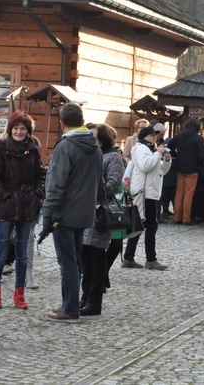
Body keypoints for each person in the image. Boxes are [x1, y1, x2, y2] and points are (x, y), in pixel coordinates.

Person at [41, 102, 103, 323]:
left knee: (67, 261)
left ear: (62, 123)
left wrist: (47, 215)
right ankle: (70, 303)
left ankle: (70, 309)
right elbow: (100, 181)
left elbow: (55, 185)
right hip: (85, 212)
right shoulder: (94, 146)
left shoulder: (65, 147)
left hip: (64, 214)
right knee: (75, 260)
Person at [0, 111, 45, 310]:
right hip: (7, 206)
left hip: (27, 206)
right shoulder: (2, 150)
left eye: (23, 128)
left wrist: (37, 196)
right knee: (2, 250)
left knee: (22, 252)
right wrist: (5, 196)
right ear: (10, 130)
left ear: (28, 131)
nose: (19, 132)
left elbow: (40, 175)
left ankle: (19, 292)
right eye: (16, 128)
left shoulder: (33, 150)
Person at [81, 123, 123, 316]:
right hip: (85, 210)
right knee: (85, 258)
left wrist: (92, 186)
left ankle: (94, 302)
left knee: (97, 258)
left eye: (95, 136)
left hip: (100, 212)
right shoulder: (90, 155)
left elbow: (113, 185)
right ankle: (84, 297)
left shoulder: (113, 157)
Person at [122, 125, 172, 270]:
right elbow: (145, 166)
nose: (155, 137)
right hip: (144, 193)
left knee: (141, 225)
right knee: (148, 225)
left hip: (151, 192)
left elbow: (161, 170)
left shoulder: (150, 150)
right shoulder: (140, 149)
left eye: (156, 135)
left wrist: (167, 160)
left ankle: (129, 257)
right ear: (144, 136)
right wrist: (158, 154)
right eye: (152, 135)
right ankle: (150, 259)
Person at [168, 117, 204, 225]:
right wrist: (198, 164)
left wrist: (177, 155)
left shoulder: (179, 136)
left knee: (179, 193)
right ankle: (186, 218)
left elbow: (169, 147)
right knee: (188, 194)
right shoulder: (199, 139)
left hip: (179, 167)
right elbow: (202, 155)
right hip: (193, 169)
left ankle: (176, 217)